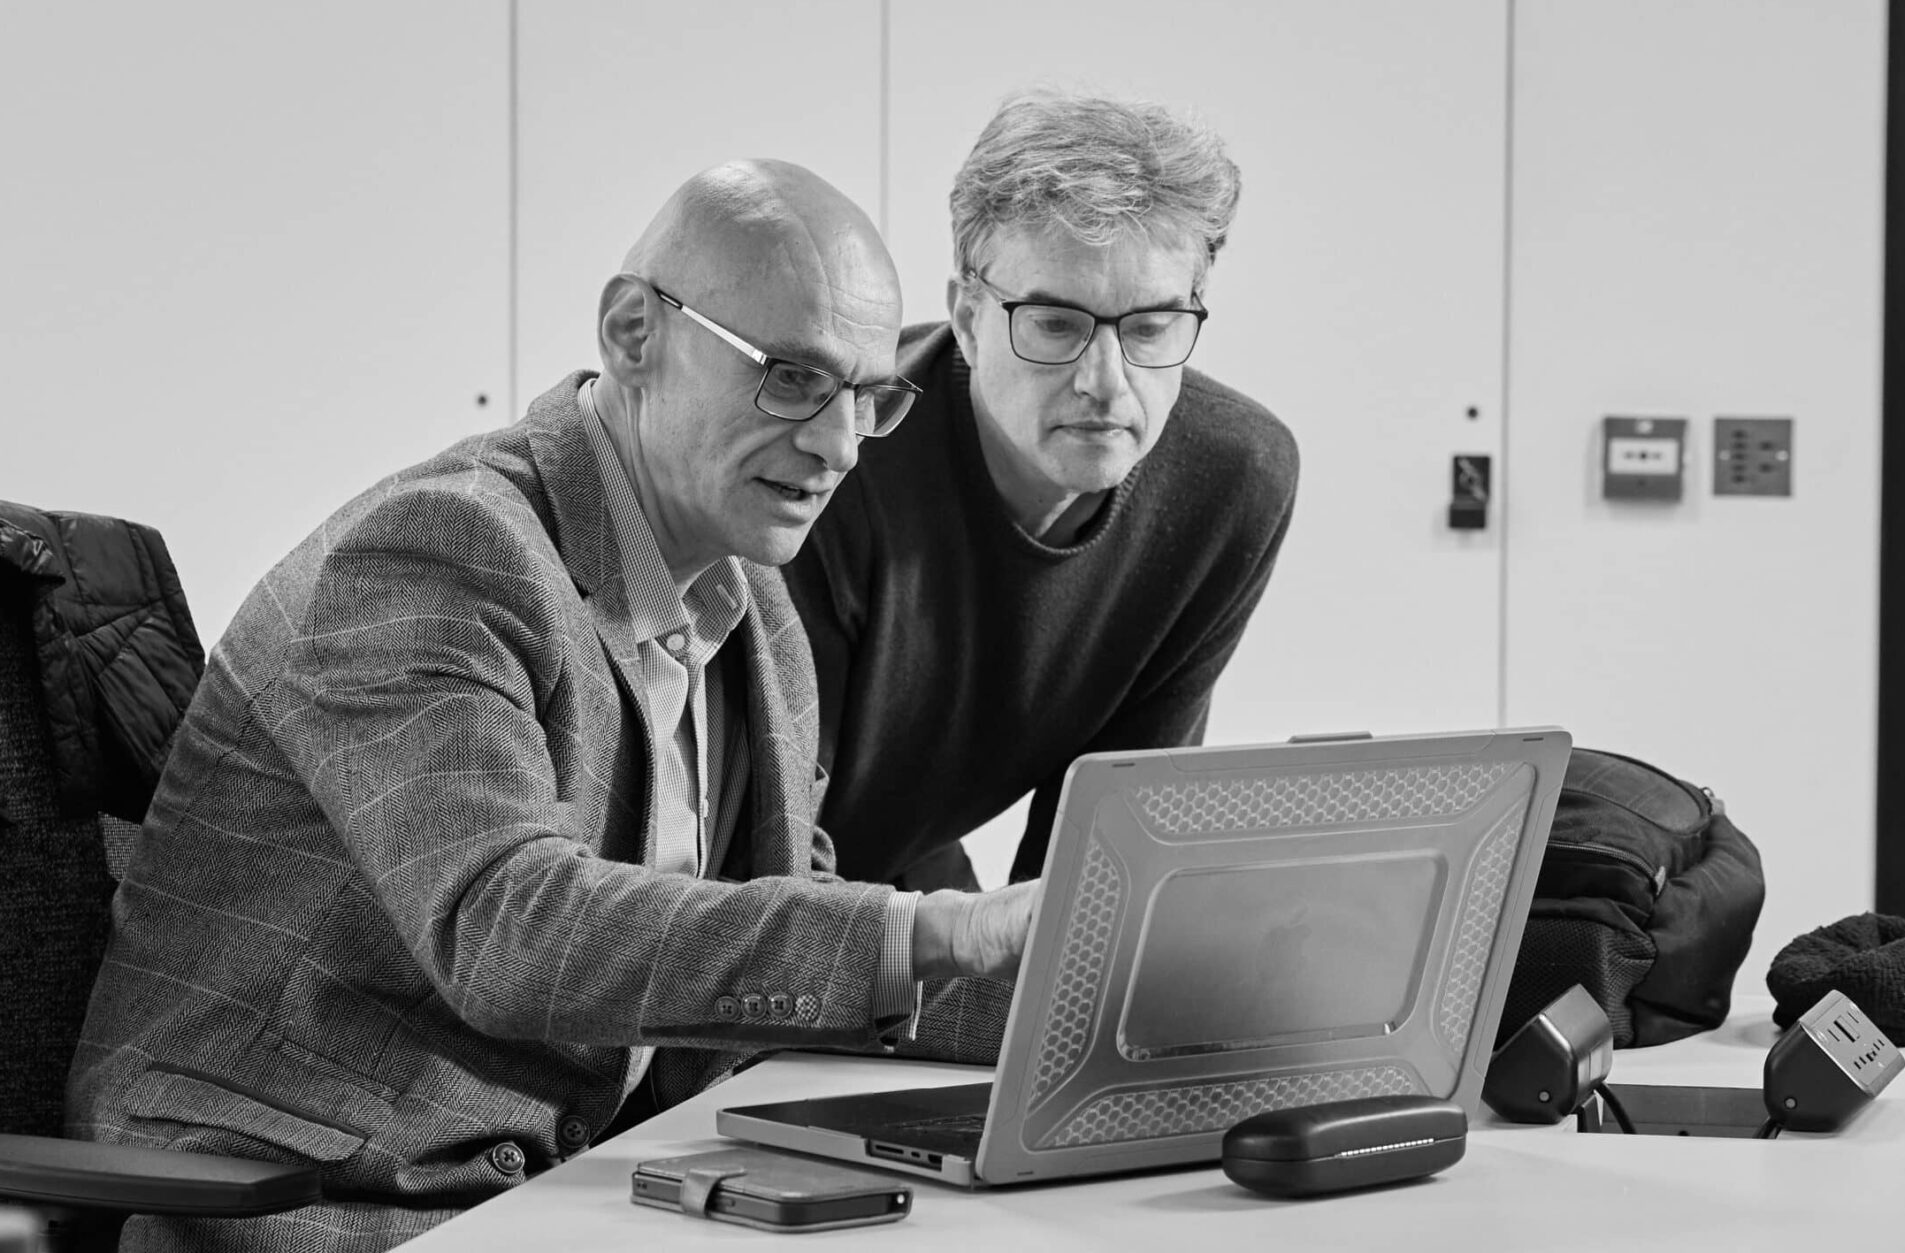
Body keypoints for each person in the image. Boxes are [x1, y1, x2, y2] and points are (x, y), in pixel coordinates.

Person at [67, 159, 1031, 1253]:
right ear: (632, 332)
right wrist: (938, 930)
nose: (840, 444)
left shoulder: (753, 609)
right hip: (318, 1199)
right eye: (794, 378)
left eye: (869, 396)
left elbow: (785, 934)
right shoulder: (440, 553)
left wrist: (1107, 1007)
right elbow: (509, 928)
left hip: (577, 1190)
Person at [785, 91, 1301, 891]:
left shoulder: (1235, 481)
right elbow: (770, 839)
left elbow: (1111, 842)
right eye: (1056, 325)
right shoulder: (839, 454)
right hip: (737, 890)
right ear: (967, 317)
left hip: (906, 865)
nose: (1106, 382)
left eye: (1152, 327)